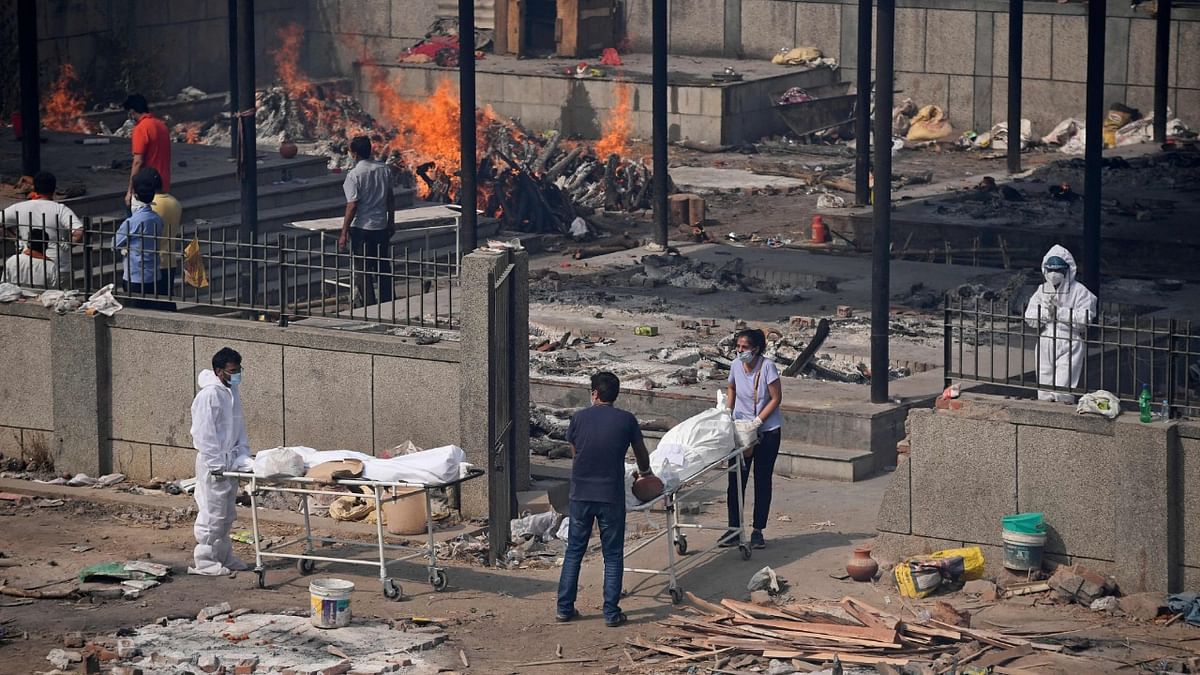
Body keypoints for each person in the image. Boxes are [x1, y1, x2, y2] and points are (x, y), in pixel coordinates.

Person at [557, 371, 652, 628]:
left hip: (581, 494)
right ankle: (611, 612)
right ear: (615, 395)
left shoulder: (578, 418)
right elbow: (641, 455)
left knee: (574, 551)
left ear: (595, 393)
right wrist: (646, 474)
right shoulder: (627, 420)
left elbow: (576, 454)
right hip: (610, 495)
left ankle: (564, 608)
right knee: (612, 555)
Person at [189, 347, 253, 576]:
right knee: (212, 512)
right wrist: (216, 464)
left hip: (229, 462)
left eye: (238, 370)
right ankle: (205, 560)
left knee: (226, 513)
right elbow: (204, 433)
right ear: (219, 371)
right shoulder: (209, 395)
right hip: (213, 464)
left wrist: (243, 455)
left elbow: (238, 426)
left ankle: (223, 555)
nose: (237, 375)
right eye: (232, 371)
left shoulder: (231, 391)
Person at [722, 328, 783, 550]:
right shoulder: (736, 366)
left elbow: (776, 398)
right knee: (736, 480)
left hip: (767, 431)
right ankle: (734, 529)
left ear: (756, 349)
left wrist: (758, 421)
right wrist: (727, 412)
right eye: (738, 347)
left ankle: (758, 530)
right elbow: (731, 387)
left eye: (744, 347)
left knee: (762, 480)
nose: (740, 351)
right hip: (740, 431)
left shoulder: (767, 367)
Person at [1024, 244, 1097, 403]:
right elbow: (1029, 317)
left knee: (1064, 386)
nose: (1054, 274)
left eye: (1058, 270)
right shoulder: (1042, 289)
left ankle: (1063, 413)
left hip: (1069, 340)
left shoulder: (1080, 291)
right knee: (1044, 385)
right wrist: (1045, 314)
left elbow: (1085, 319)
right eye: (1050, 270)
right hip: (1046, 339)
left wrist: (1060, 313)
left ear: (1067, 270)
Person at [338, 136, 395, 307]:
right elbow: (390, 198)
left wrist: (343, 232)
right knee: (383, 266)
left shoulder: (354, 175)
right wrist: (391, 221)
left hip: (362, 227)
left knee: (363, 269)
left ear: (354, 154)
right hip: (381, 226)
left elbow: (352, 205)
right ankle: (387, 301)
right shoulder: (384, 170)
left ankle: (370, 304)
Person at [1, 172, 83, 285]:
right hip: (59, 267)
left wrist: (15, 239)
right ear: (54, 189)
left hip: (28, 263)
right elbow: (78, 232)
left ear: (34, 188)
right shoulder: (60, 209)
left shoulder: (19, 207)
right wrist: (66, 244)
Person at [114, 168, 166, 307]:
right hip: (154, 275)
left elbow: (115, 243)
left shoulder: (132, 222)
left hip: (135, 275)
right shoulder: (157, 219)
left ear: (135, 196)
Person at [123, 94, 172, 210]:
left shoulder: (141, 128)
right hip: (163, 184)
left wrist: (130, 190)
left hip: (146, 188)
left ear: (132, 112)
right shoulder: (161, 125)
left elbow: (138, 161)